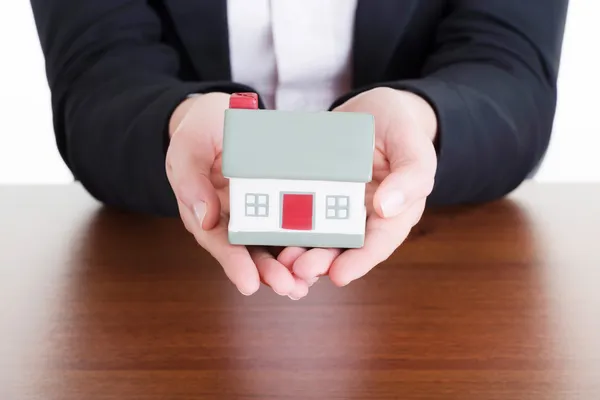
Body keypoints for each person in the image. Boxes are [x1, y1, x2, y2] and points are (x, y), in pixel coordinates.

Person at [30, 0, 568, 299]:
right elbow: (96, 76)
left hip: (445, 275)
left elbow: (511, 69)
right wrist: (178, 123)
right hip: (164, 266)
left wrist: (422, 120)